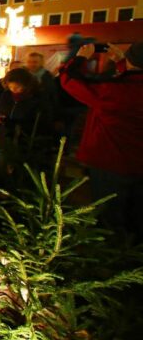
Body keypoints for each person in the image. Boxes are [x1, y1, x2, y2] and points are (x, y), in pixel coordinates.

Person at [58, 42, 143, 240]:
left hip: (111, 161)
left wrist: (80, 58)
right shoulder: (122, 86)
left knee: (109, 215)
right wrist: (122, 63)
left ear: (131, 60)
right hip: (138, 164)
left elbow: (69, 80)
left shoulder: (112, 90)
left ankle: (111, 258)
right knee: (137, 216)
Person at [0, 67, 53, 153]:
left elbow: (41, 122)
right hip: (4, 138)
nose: (13, 89)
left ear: (26, 85)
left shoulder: (36, 98)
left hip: (24, 141)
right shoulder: (6, 95)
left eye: (17, 86)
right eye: (10, 86)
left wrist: (14, 124)